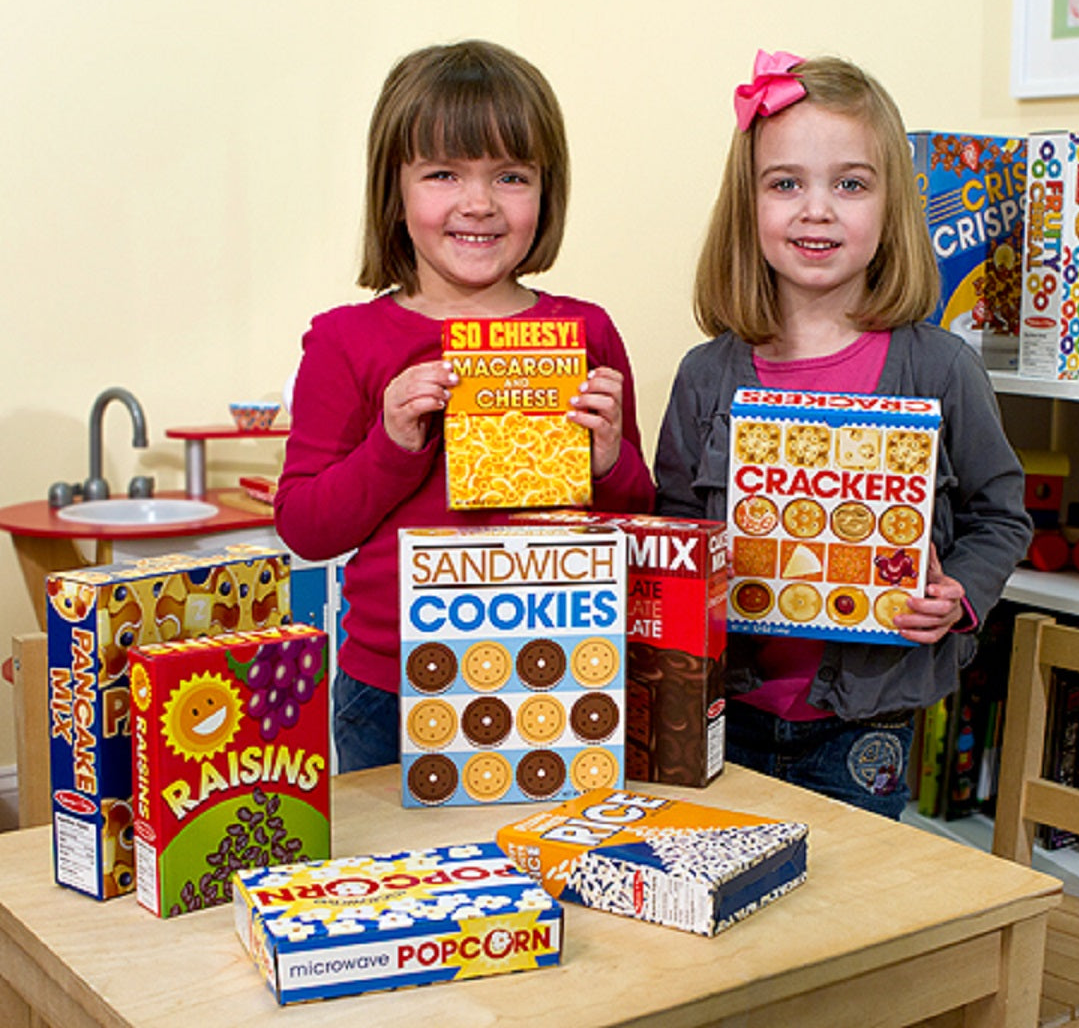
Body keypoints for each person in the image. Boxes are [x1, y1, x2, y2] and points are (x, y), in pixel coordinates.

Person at [654, 51, 1031, 819]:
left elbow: (1001, 516)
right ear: (747, 205)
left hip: (868, 720)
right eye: (785, 182)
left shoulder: (940, 368)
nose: (816, 209)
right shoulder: (705, 376)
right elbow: (670, 527)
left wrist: (958, 598)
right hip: (727, 711)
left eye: (850, 183)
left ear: (892, 206)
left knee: (852, 911)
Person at [276, 40, 654, 772]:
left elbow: (639, 518)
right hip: (391, 686)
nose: (478, 203)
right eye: (444, 173)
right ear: (396, 188)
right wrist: (391, 444)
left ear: (547, 191)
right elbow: (306, 529)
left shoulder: (587, 332)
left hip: (560, 669)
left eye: (510, 176)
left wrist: (609, 463)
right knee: (399, 883)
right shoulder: (345, 341)